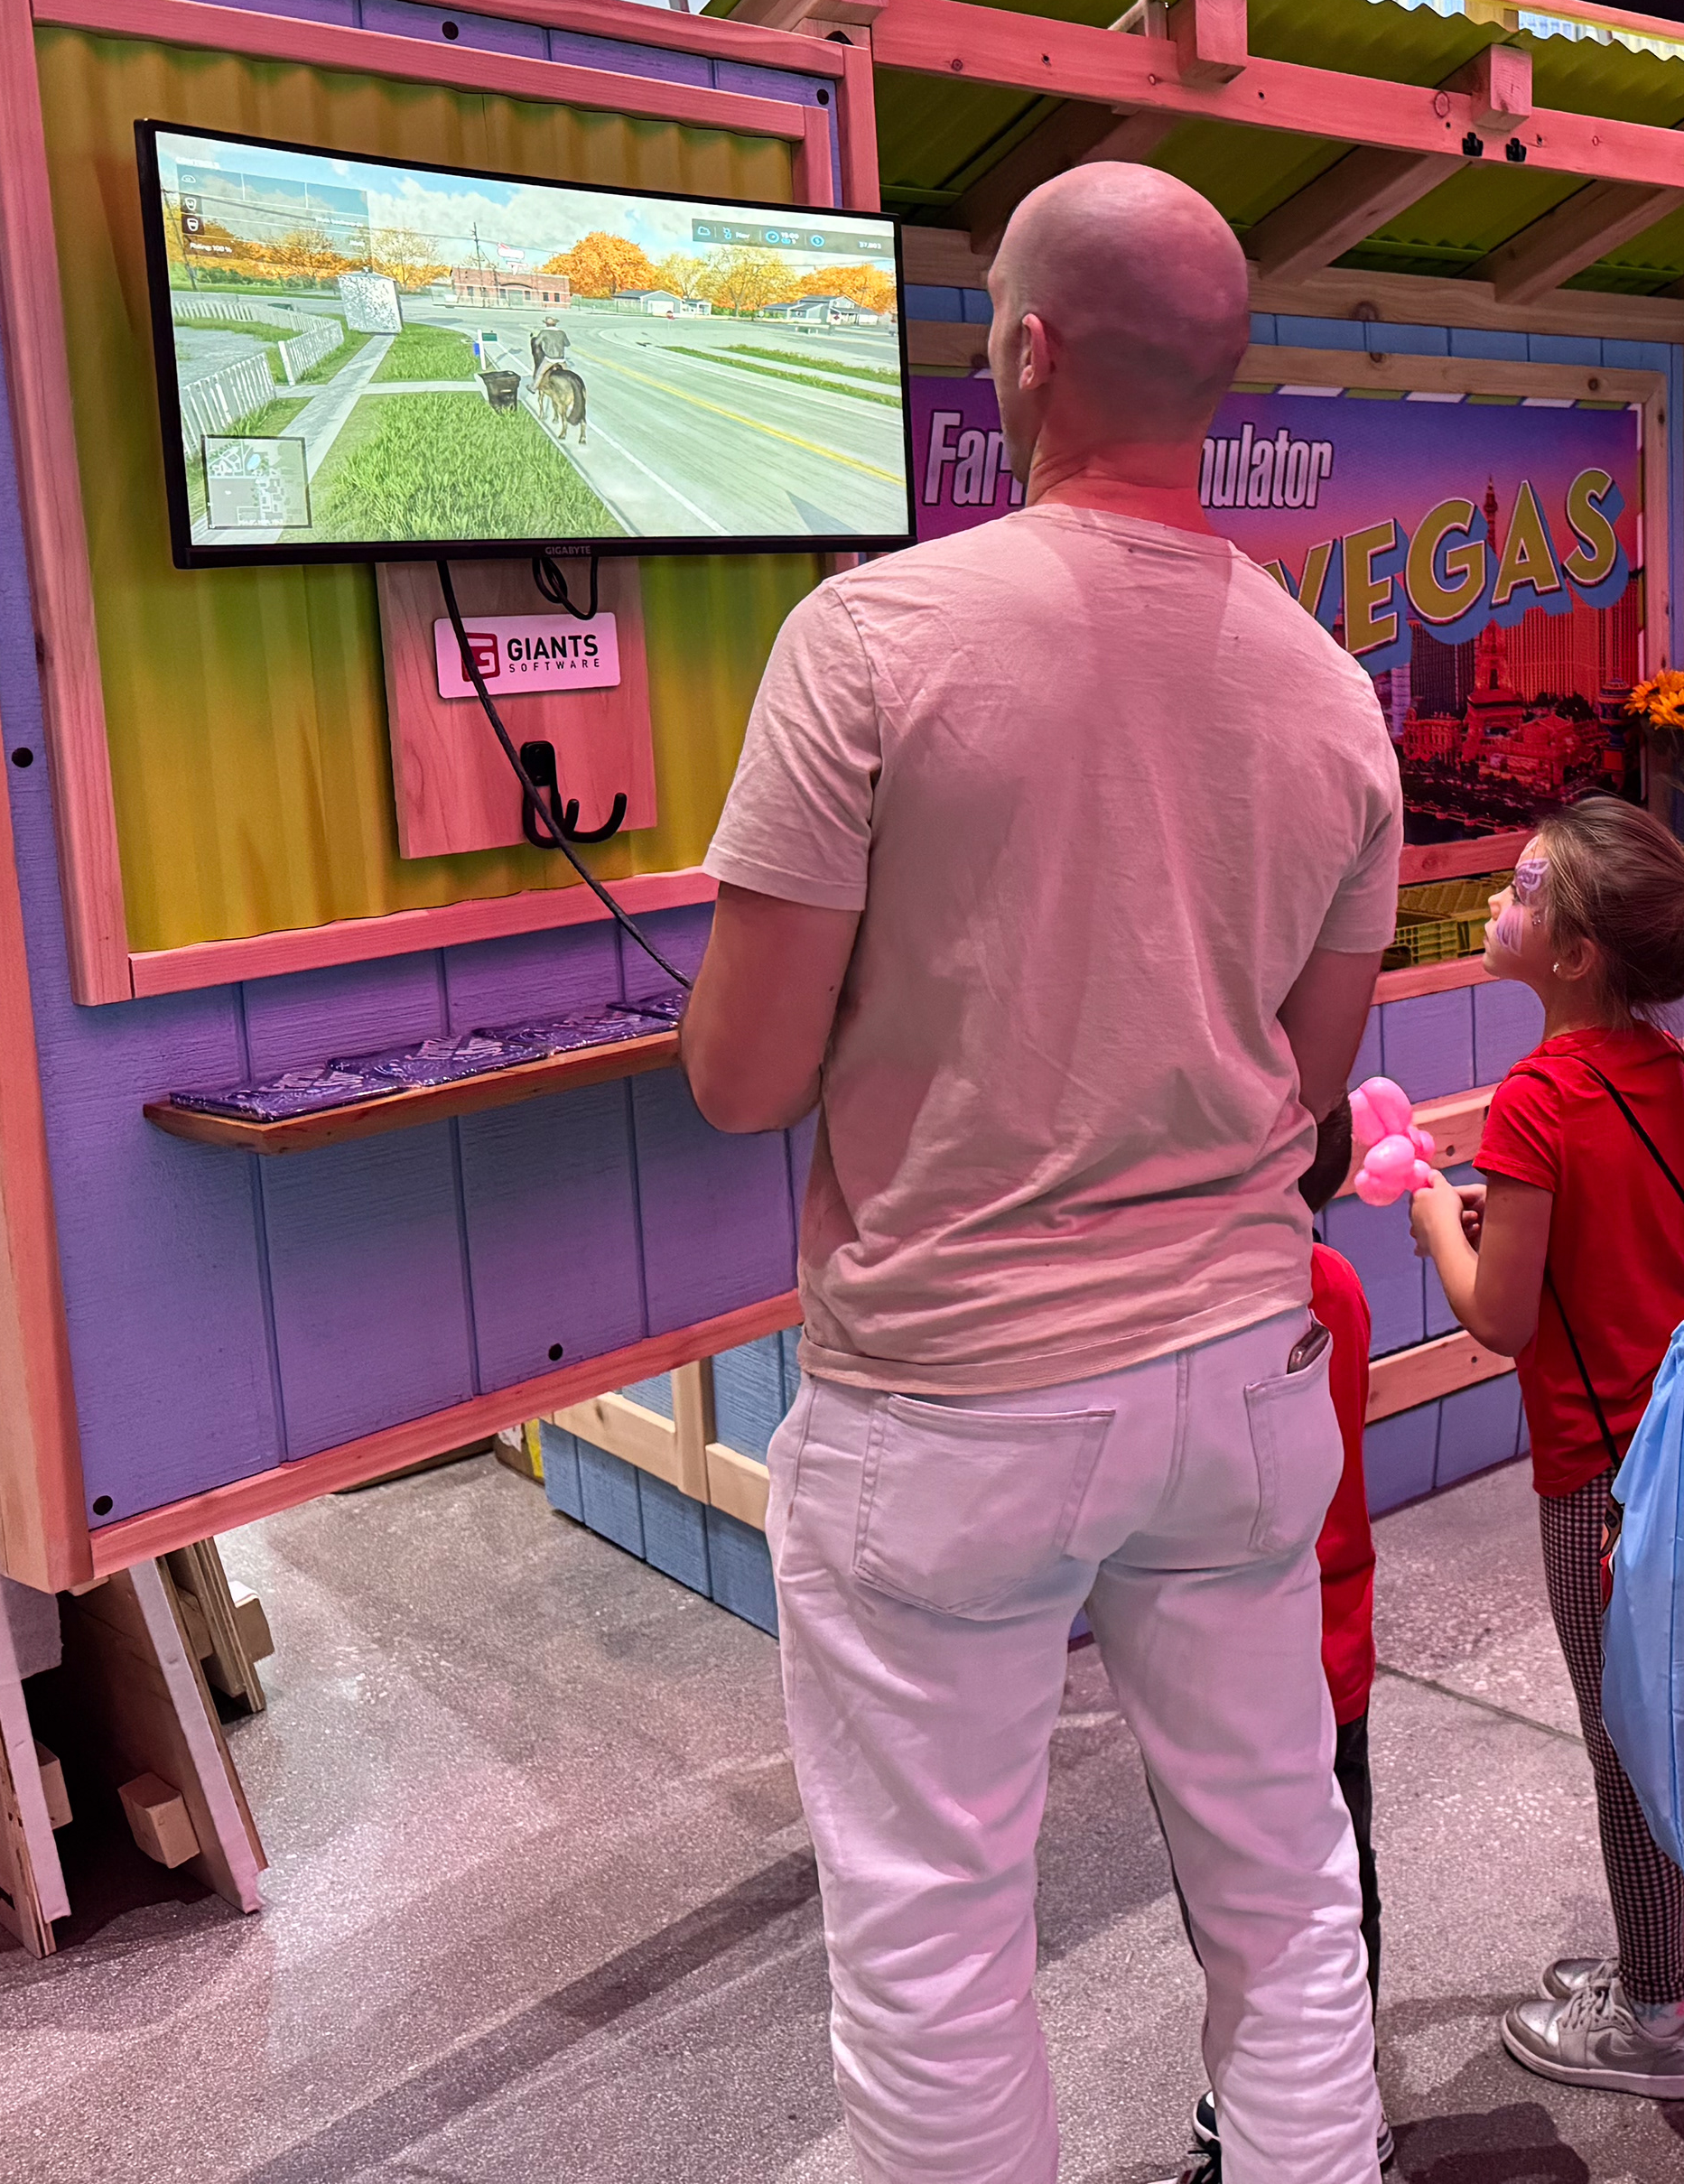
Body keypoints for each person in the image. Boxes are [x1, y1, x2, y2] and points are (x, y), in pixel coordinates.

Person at [683, 161, 1403, 2183]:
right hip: (1243, 1374)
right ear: (1224, 377)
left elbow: (742, 1081)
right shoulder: (1330, 691)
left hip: (951, 1396)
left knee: (934, 1937)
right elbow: (1307, 1077)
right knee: (1288, 1892)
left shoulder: (868, 641)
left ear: (1024, 352)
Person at [1406, 795, 1684, 2101]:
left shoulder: (1535, 1099)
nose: (1496, 903)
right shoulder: (1671, 1065)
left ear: (1571, 953)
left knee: (1625, 1745)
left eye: (1521, 890)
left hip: (1598, 1478)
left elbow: (1501, 1320)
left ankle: (1654, 2016)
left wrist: (1436, 1222)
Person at [1176, 1111, 1387, 2184]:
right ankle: (1341, 2087)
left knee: (1238, 1890)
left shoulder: (1211, 1314)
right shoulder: (1335, 1284)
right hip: (1334, 1641)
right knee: (1336, 1875)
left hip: (1245, 1653)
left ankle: (1284, 2094)